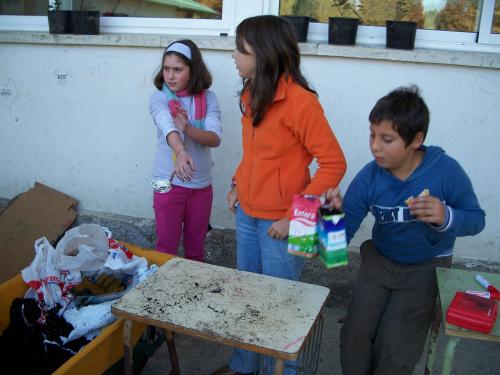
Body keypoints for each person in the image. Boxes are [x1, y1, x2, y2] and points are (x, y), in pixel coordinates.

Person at [325, 85, 486, 375]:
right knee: (355, 333)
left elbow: (476, 219)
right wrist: (331, 216)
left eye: (387, 139)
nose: (375, 146)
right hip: (380, 260)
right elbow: (333, 250)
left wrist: (445, 215)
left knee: (396, 345)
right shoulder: (369, 177)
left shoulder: (445, 172)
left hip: (426, 266)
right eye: (372, 135)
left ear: (416, 140)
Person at [220, 15, 347, 375]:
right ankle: (245, 366)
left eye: (240, 49)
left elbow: (334, 164)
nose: (233, 55)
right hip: (248, 213)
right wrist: (235, 183)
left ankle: (281, 371)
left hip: (287, 221)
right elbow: (256, 153)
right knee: (248, 295)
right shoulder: (250, 92)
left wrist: (295, 216)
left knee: (282, 305)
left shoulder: (301, 102)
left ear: (264, 53)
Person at [149, 39, 222, 262]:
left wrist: (188, 128)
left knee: (195, 250)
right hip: (165, 181)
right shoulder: (159, 97)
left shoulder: (208, 98)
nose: (170, 76)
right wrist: (180, 151)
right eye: (167, 69)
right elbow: (167, 125)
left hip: (201, 185)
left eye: (178, 70)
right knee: (165, 247)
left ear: (193, 69)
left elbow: (214, 138)